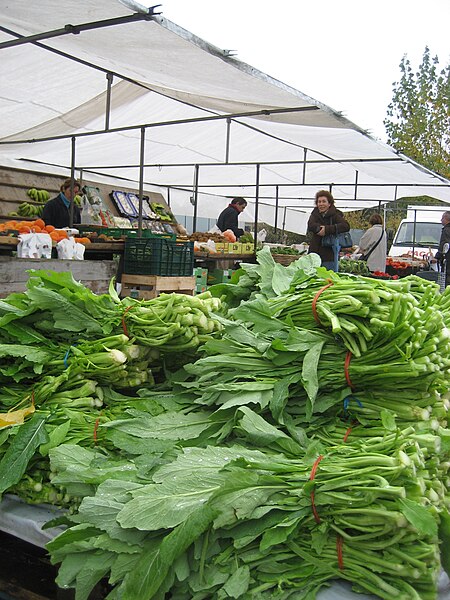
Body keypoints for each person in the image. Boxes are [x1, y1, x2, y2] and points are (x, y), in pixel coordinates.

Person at [307, 190, 350, 271]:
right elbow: (310, 225)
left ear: (329, 203)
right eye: (319, 202)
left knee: (328, 278)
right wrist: (319, 229)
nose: (321, 204)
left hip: (329, 254)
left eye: (324, 201)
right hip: (314, 252)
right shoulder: (314, 214)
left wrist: (327, 229)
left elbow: (345, 226)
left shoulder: (336, 214)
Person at [435, 211, 450, 287]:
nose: (441, 220)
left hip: (448, 260)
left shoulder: (446, 230)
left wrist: (438, 255)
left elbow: (445, 244)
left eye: (442, 218)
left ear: (447, 219)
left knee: (447, 279)